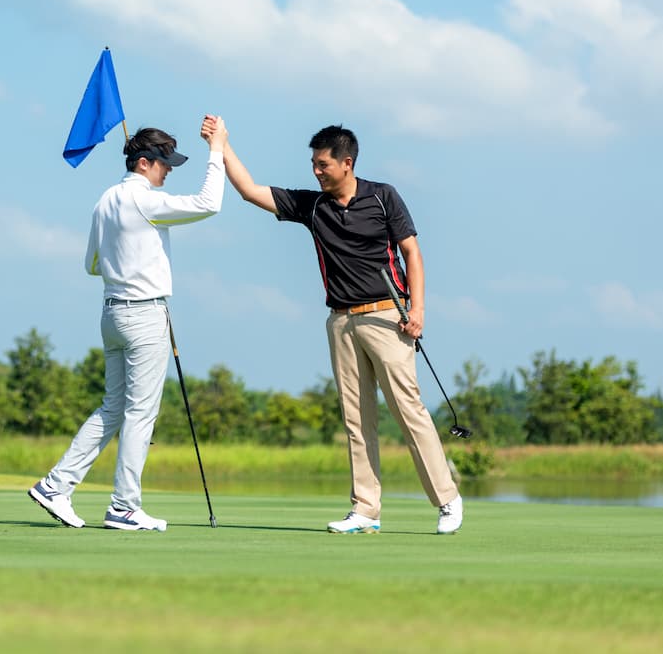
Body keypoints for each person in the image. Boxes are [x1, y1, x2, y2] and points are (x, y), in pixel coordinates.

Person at [211, 119, 463, 535]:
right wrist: (222, 145)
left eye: (323, 164)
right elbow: (250, 191)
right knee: (356, 418)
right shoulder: (314, 206)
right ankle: (365, 510)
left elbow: (411, 252)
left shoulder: (383, 198)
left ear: (347, 163)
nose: (315, 171)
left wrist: (418, 309)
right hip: (341, 321)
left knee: (407, 410)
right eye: (313, 163)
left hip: (388, 316)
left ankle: (447, 500)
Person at [28, 118, 228, 531]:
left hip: (112, 313)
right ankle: (123, 505)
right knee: (140, 413)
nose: (168, 170)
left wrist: (128, 259)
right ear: (143, 162)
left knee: (114, 407)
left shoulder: (105, 200)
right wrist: (217, 150)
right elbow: (209, 203)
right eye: (163, 163)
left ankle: (56, 485)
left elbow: (91, 265)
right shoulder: (146, 200)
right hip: (144, 313)